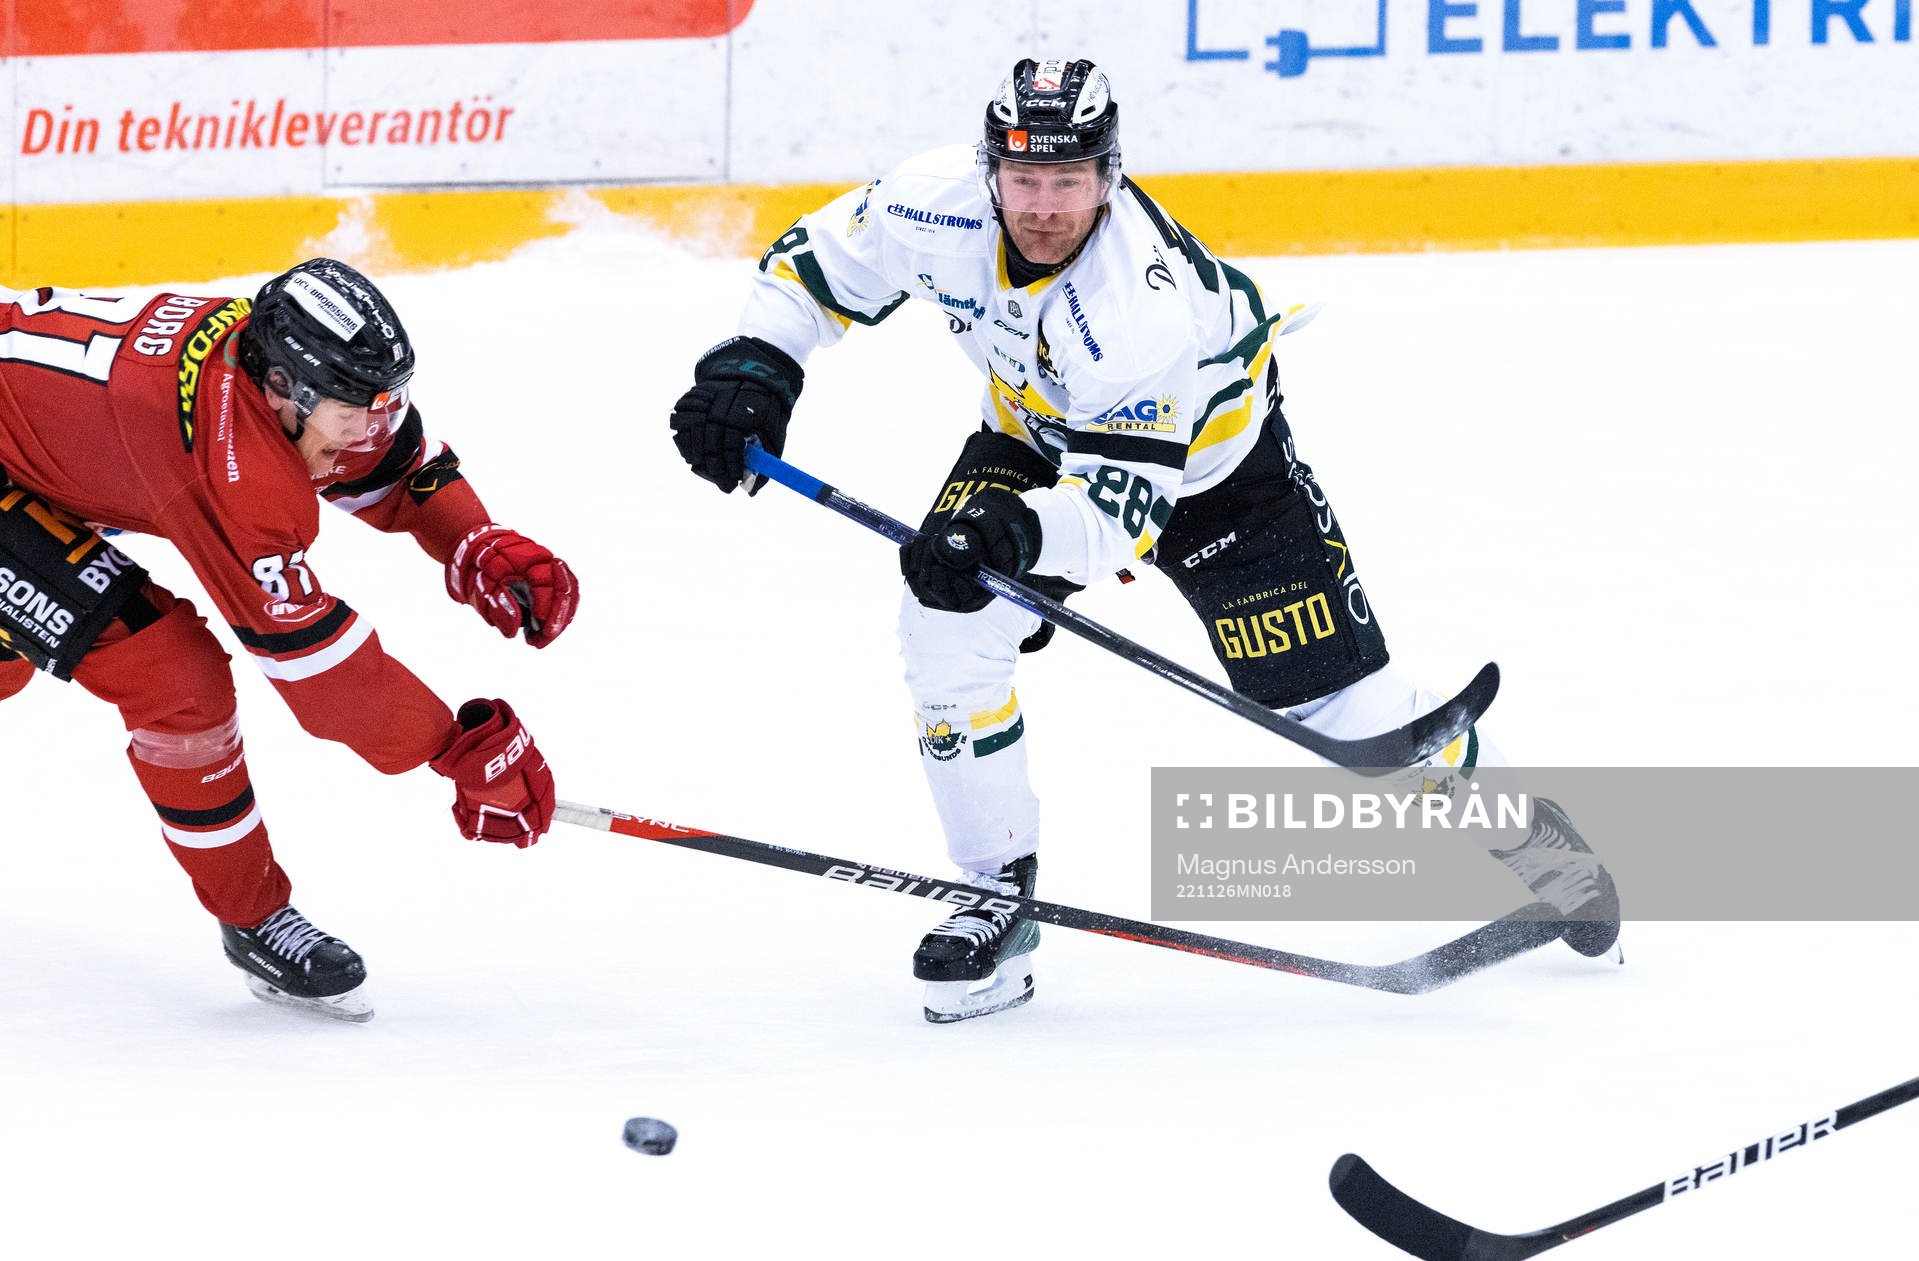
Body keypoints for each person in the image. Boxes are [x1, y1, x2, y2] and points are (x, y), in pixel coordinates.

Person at [670, 58, 1618, 1023]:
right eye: (1024, 180)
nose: (1042, 206)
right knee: (945, 625)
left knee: (1346, 711)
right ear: (990, 167)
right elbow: (814, 266)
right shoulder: (934, 201)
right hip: (1030, 436)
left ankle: (1548, 851)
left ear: (1108, 176)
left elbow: (1116, 520)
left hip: (1218, 484)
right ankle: (999, 895)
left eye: (1069, 182)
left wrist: (1000, 533)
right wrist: (754, 369)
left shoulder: (1138, 304)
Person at [0, 260, 578, 1022]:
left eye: (384, 406)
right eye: (356, 413)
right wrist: (456, 749)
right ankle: (253, 916)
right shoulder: (237, 472)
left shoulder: (281, 370)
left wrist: (473, 537)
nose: (372, 430)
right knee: (175, 678)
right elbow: (322, 679)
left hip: (36, 454)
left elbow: (393, 465)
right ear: (283, 390)